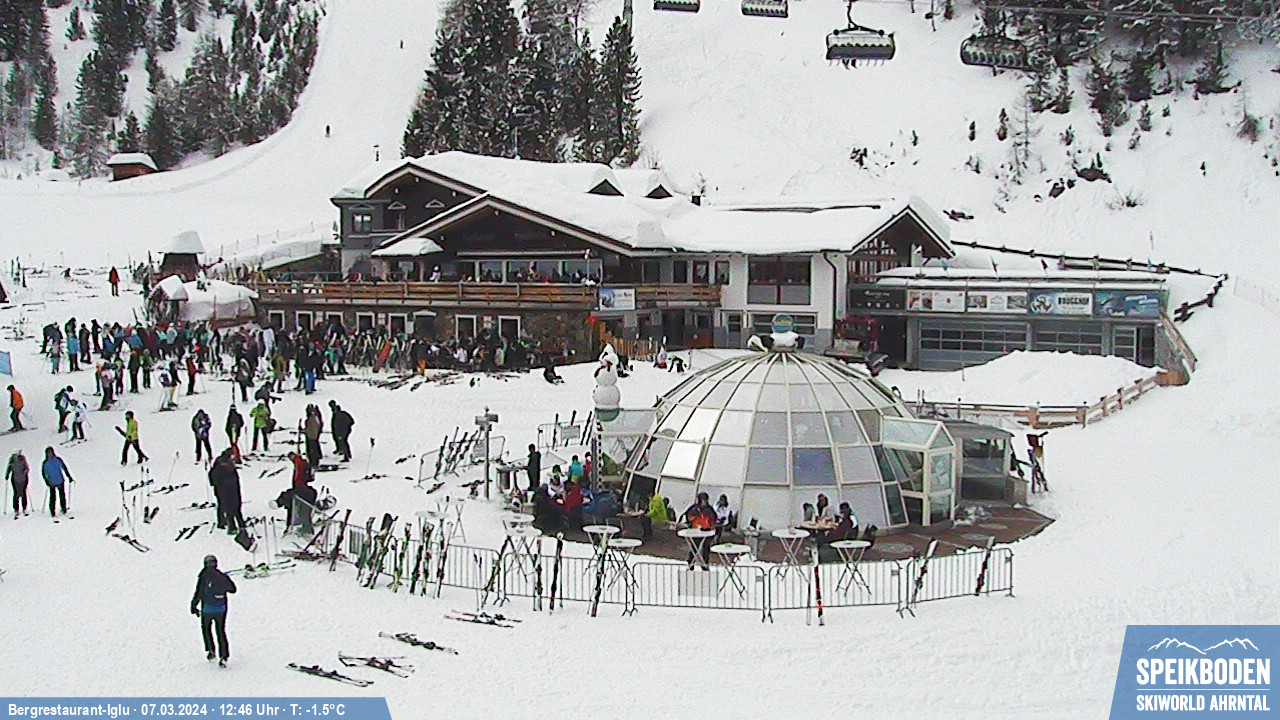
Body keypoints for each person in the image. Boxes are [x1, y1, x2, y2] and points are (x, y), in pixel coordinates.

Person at [190, 554, 237, 667]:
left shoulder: (203, 576)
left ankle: (211, 650)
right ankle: (224, 656)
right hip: (221, 608)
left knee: (206, 629)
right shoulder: (221, 575)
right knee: (221, 631)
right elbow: (233, 589)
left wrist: (193, 605)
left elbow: (199, 592)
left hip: (207, 609)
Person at [209, 451, 245, 534]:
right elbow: (214, 480)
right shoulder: (220, 467)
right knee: (227, 507)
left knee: (235, 507)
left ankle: (240, 523)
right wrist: (220, 487)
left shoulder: (230, 466)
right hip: (223, 491)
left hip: (233, 489)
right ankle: (229, 525)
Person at [682, 492, 717, 568]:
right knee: (695, 546)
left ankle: (705, 563)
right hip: (696, 530)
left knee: (706, 547)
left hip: (707, 531)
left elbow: (713, 519)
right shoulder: (694, 508)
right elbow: (688, 517)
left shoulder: (709, 509)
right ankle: (691, 562)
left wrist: (711, 526)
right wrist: (693, 518)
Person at [41, 446, 73, 517]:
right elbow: (43, 473)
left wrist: (69, 477)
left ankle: (64, 508)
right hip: (51, 482)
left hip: (60, 480)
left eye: (51, 452)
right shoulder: (45, 462)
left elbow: (64, 468)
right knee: (53, 497)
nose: (50, 454)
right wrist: (46, 481)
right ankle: (52, 510)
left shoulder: (58, 459)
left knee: (62, 495)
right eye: (48, 453)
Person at [7, 450, 29, 518]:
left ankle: (24, 508)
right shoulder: (11, 461)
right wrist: (7, 474)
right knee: (16, 493)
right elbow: (9, 468)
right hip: (15, 480)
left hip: (23, 479)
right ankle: (16, 509)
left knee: (23, 493)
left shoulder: (23, 460)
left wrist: (25, 473)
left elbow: (27, 468)